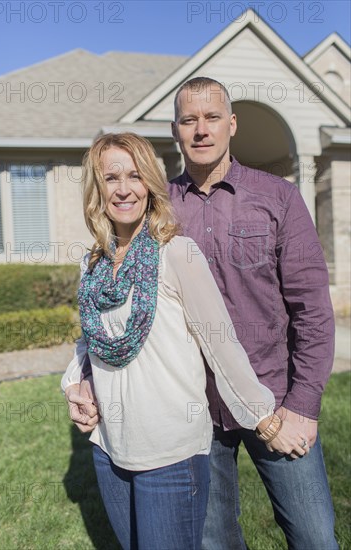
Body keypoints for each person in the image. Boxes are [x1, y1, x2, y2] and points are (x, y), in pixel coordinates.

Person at [61, 132, 307, 550]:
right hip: (109, 446)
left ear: (151, 184)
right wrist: (74, 382)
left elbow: (222, 346)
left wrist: (265, 421)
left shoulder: (177, 253)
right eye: (111, 178)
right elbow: (91, 337)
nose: (123, 189)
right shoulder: (93, 263)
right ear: (96, 190)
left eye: (135, 176)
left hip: (170, 453)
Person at [168, 77, 338, 550]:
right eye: (189, 120)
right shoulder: (157, 208)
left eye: (212, 117)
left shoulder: (277, 197)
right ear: (176, 130)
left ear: (231, 124)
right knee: (213, 542)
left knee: (314, 537)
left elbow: (313, 311)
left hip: (276, 400)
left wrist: (303, 406)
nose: (201, 130)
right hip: (197, 409)